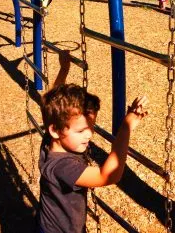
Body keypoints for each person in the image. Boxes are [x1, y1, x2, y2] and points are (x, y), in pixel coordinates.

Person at [37, 51, 149, 233]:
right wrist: (126, 127)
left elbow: (48, 106)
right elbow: (108, 176)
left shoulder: (51, 138)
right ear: (56, 130)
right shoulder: (62, 166)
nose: (89, 135)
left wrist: (64, 69)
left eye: (92, 127)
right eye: (81, 130)